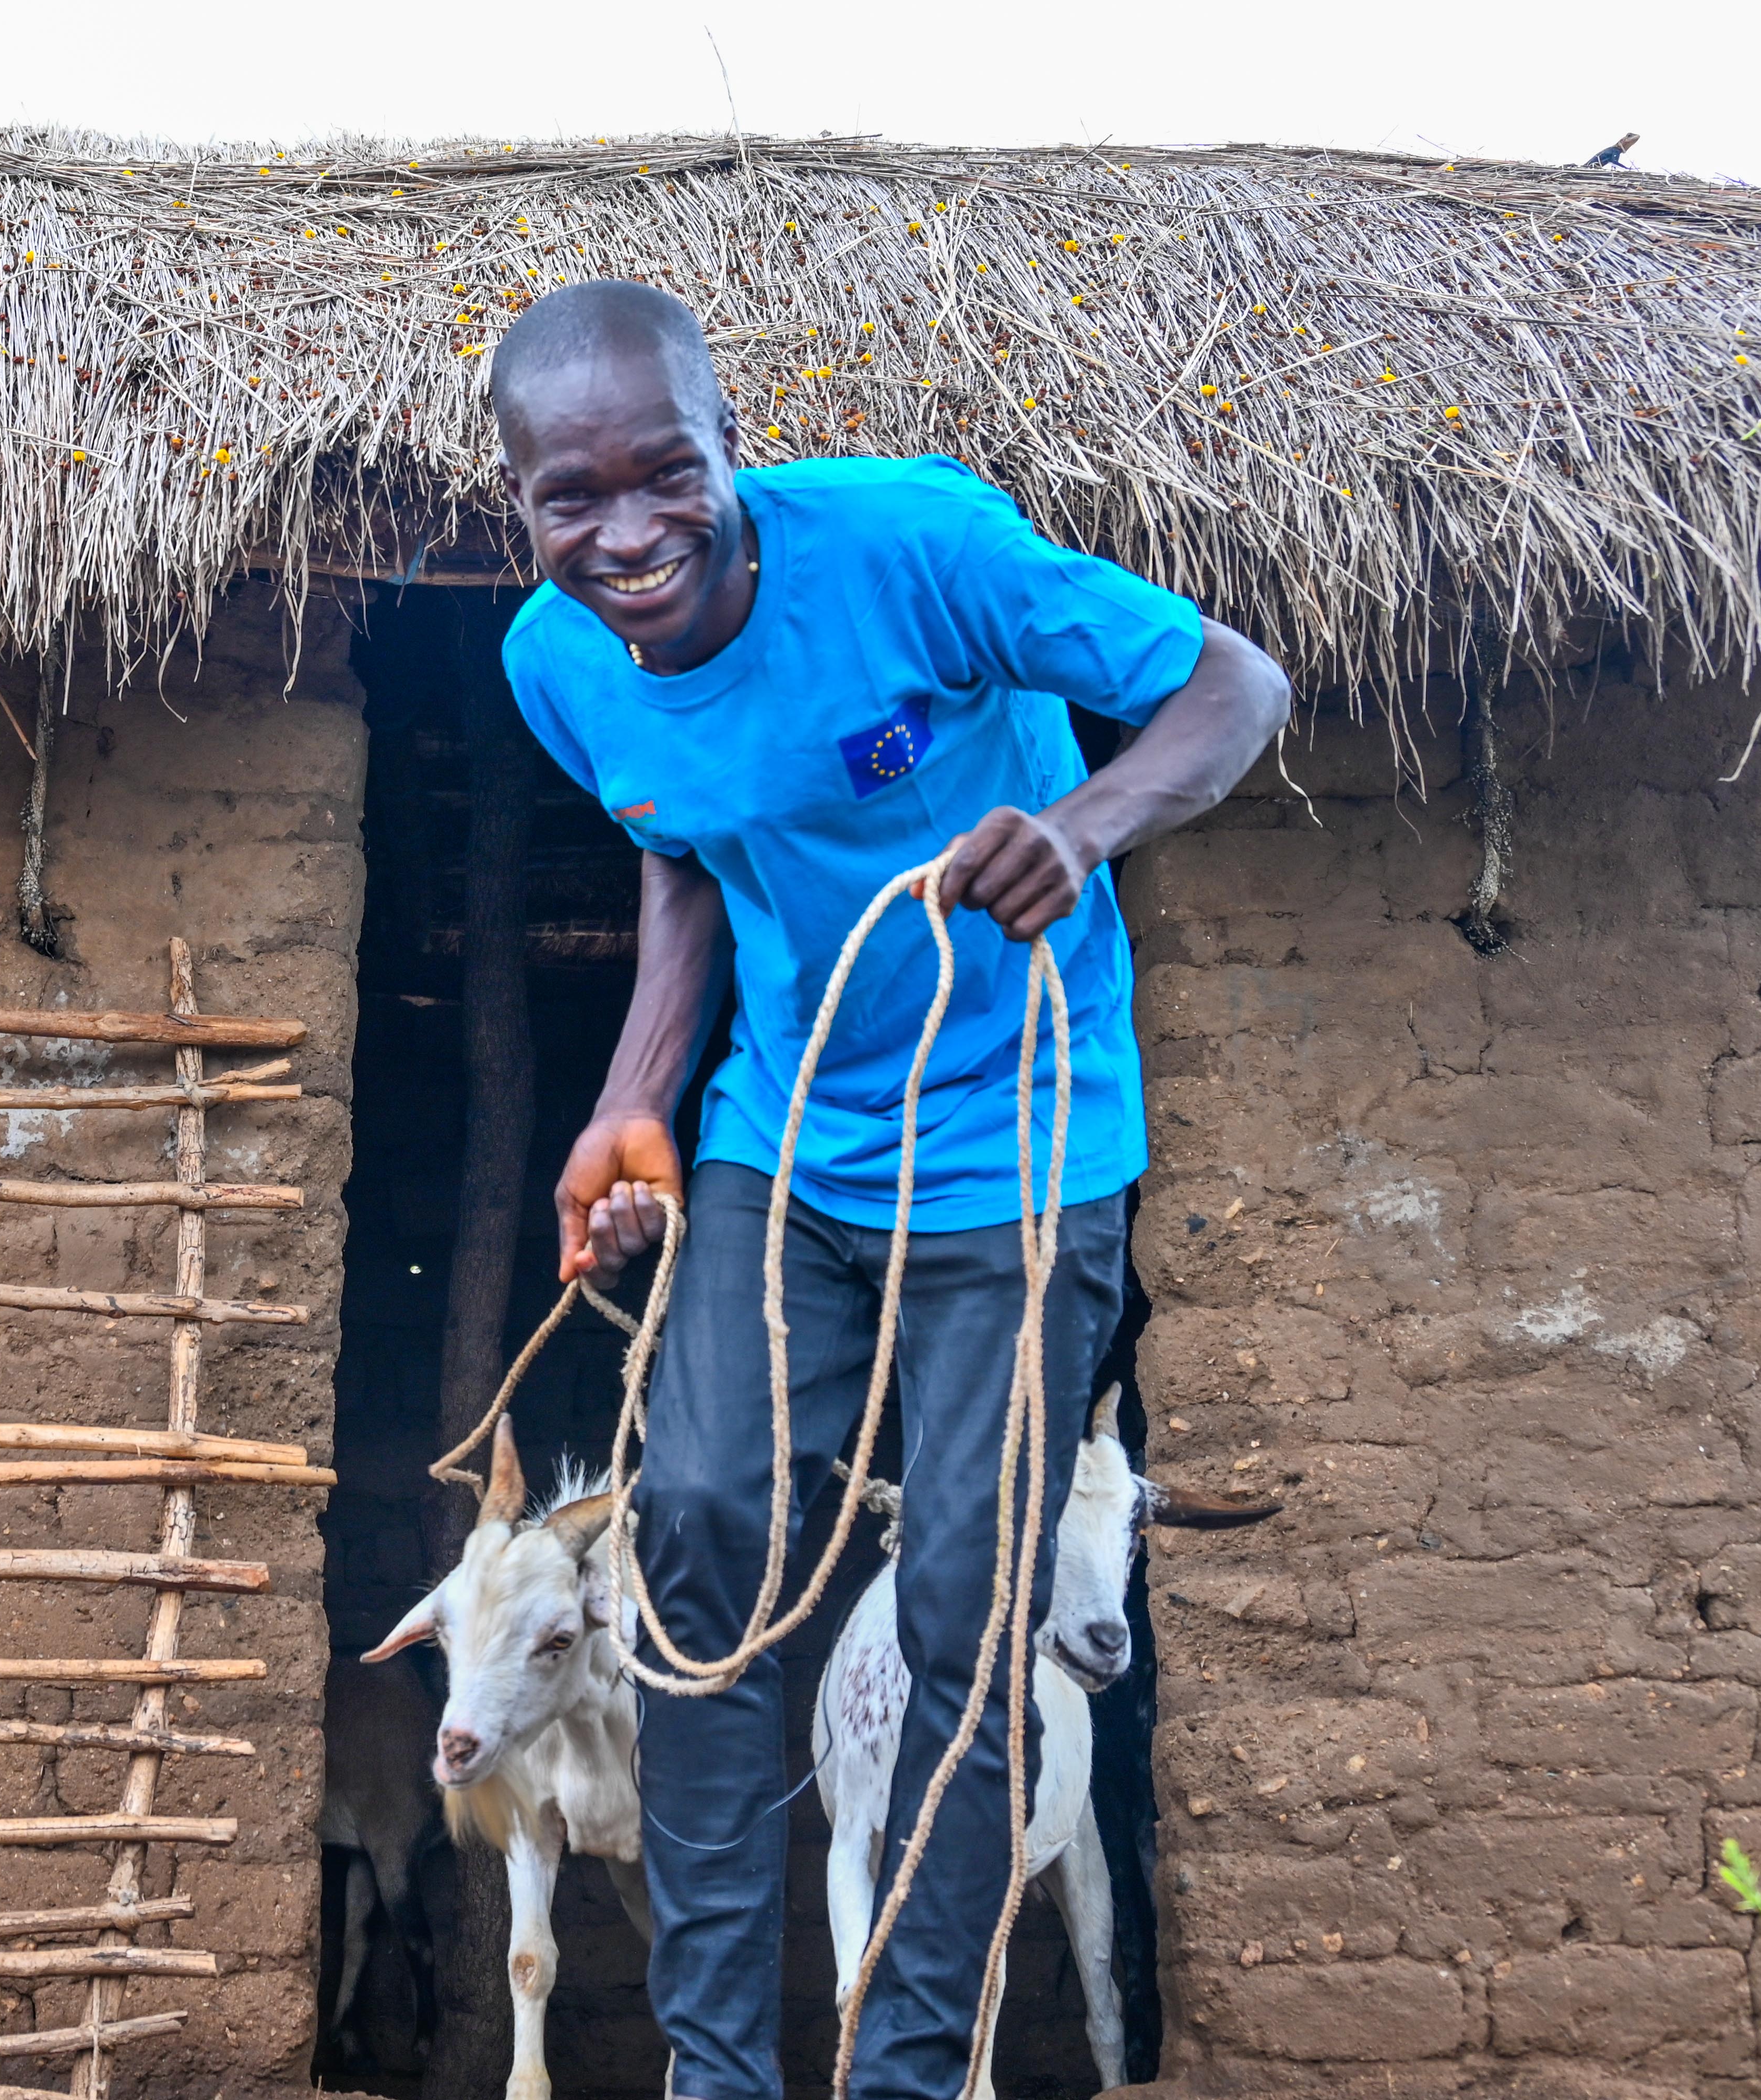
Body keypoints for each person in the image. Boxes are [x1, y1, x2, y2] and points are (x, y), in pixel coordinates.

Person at [490, 280, 1290, 2100]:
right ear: (519, 502)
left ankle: (911, 2073)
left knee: (961, 1609)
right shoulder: (554, 660)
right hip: (790, 1146)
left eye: (666, 474)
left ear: (730, 445)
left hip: (1019, 1151)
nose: (627, 533)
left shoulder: (919, 549)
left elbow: (1236, 685)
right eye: (572, 498)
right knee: (687, 1543)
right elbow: (692, 863)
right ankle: (717, 2071)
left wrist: (1077, 830)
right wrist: (633, 1103)